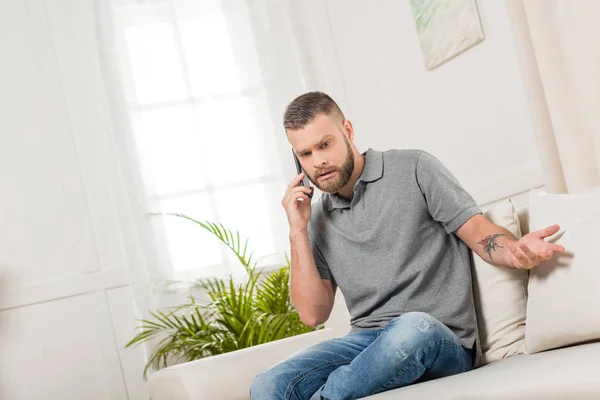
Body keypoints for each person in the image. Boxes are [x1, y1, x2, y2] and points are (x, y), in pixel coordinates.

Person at [250, 92, 564, 400]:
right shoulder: (316, 219)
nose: (318, 161)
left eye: (325, 144)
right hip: (366, 343)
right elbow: (312, 314)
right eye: (305, 154)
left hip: (438, 338)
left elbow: (480, 232)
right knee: (268, 385)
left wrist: (515, 252)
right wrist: (297, 230)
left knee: (413, 328)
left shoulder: (414, 167)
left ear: (347, 130)